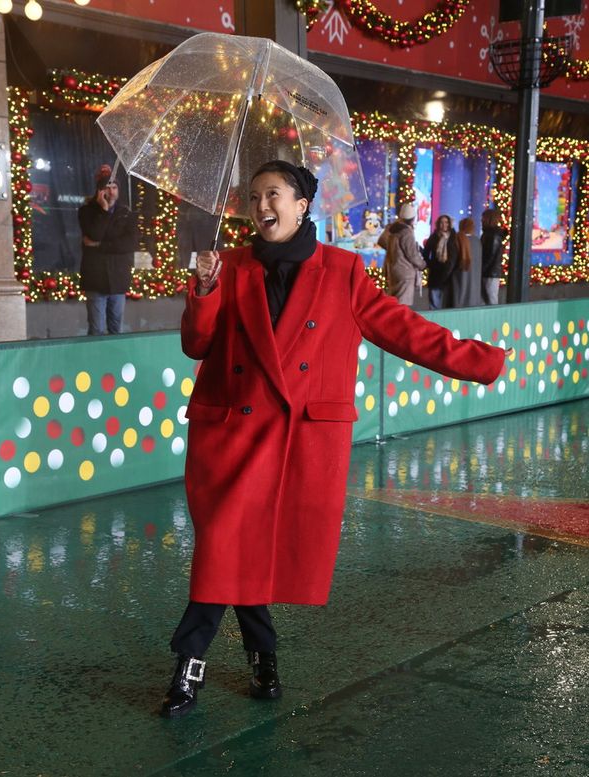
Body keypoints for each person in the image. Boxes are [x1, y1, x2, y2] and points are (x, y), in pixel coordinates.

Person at [160, 160, 510, 719]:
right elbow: (196, 344)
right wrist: (204, 288)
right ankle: (200, 662)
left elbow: (405, 330)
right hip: (230, 438)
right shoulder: (228, 265)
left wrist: (481, 360)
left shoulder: (343, 271)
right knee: (224, 546)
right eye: (254, 197)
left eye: (273, 194)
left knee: (245, 551)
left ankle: (252, 657)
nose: (261, 206)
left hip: (296, 441)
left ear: (302, 206)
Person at [78, 164, 139, 335]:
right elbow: (94, 234)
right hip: (96, 279)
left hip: (118, 279)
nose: (111, 192)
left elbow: (131, 243)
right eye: (107, 187)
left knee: (116, 328)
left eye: (114, 187)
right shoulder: (86, 211)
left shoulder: (126, 213)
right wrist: (104, 211)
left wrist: (100, 245)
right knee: (96, 329)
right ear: (100, 191)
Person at [378, 203, 426, 306]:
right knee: (402, 304)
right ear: (413, 218)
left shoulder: (392, 229)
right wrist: (422, 264)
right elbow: (412, 254)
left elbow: (381, 241)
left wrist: (393, 250)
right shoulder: (406, 232)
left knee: (393, 302)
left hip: (392, 269)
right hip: (405, 272)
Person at [444, 217, 483, 308]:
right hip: (475, 284)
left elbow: (452, 261)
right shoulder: (477, 241)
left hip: (459, 280)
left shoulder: (457, 239)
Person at [422, 214, 458, 310]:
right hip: (435, 274)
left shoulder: (453, 238)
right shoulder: (433, 237)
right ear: (438, 224)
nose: (444, 224)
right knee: (434, 304)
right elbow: (425, 254)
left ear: (449, 224)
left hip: (449, 275)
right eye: (441, 222)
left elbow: (455, 257)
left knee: (446, 305)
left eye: (446, 222)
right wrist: (431, 265)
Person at [480, 208, 506, 305]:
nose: (481, 220)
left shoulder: (492, 235)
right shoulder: (490, 234)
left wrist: (482, 269)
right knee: (489, 299)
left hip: (490, 273)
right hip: (490, 272)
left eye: (483, 218)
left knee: (491, 299)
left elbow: (490, 255)